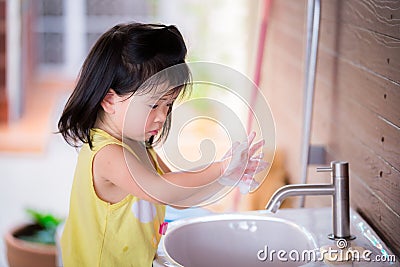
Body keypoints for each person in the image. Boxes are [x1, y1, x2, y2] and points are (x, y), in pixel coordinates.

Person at [58, 22, 267, 266]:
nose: (162, 115)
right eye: (153, 105)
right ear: (110, 100)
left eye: (168, 104)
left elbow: (176, 196)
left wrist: (225, 178)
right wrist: (219, 168)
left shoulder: (136, 146)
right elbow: (160, 189)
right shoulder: (107, 154)